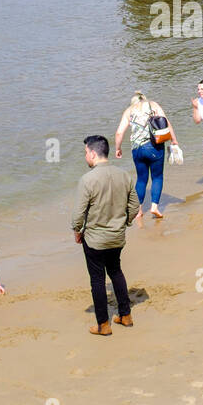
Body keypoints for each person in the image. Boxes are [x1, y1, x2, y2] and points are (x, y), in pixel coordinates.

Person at [71, 135, 139, 335]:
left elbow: (78, 214)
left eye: (85, 153)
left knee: (97, 280)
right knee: (116, 272)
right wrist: (124, 222)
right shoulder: (124, 175)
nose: (85, 156)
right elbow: (134, 206)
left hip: (94, 240)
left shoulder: (87, 180)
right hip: (117, 236)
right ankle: (125, 315)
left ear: (93, 153)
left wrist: (77, 231)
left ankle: (103, 324)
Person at [115, 91, 178, 219]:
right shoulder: (153, 105)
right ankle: (154, 207)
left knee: (141, 179)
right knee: (157, 177)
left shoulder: (129, 111)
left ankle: (138, 211)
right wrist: (174, 140)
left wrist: (118, 148)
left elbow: (119, 133)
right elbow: (166, 122)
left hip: (137, 149)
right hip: (154, 146)